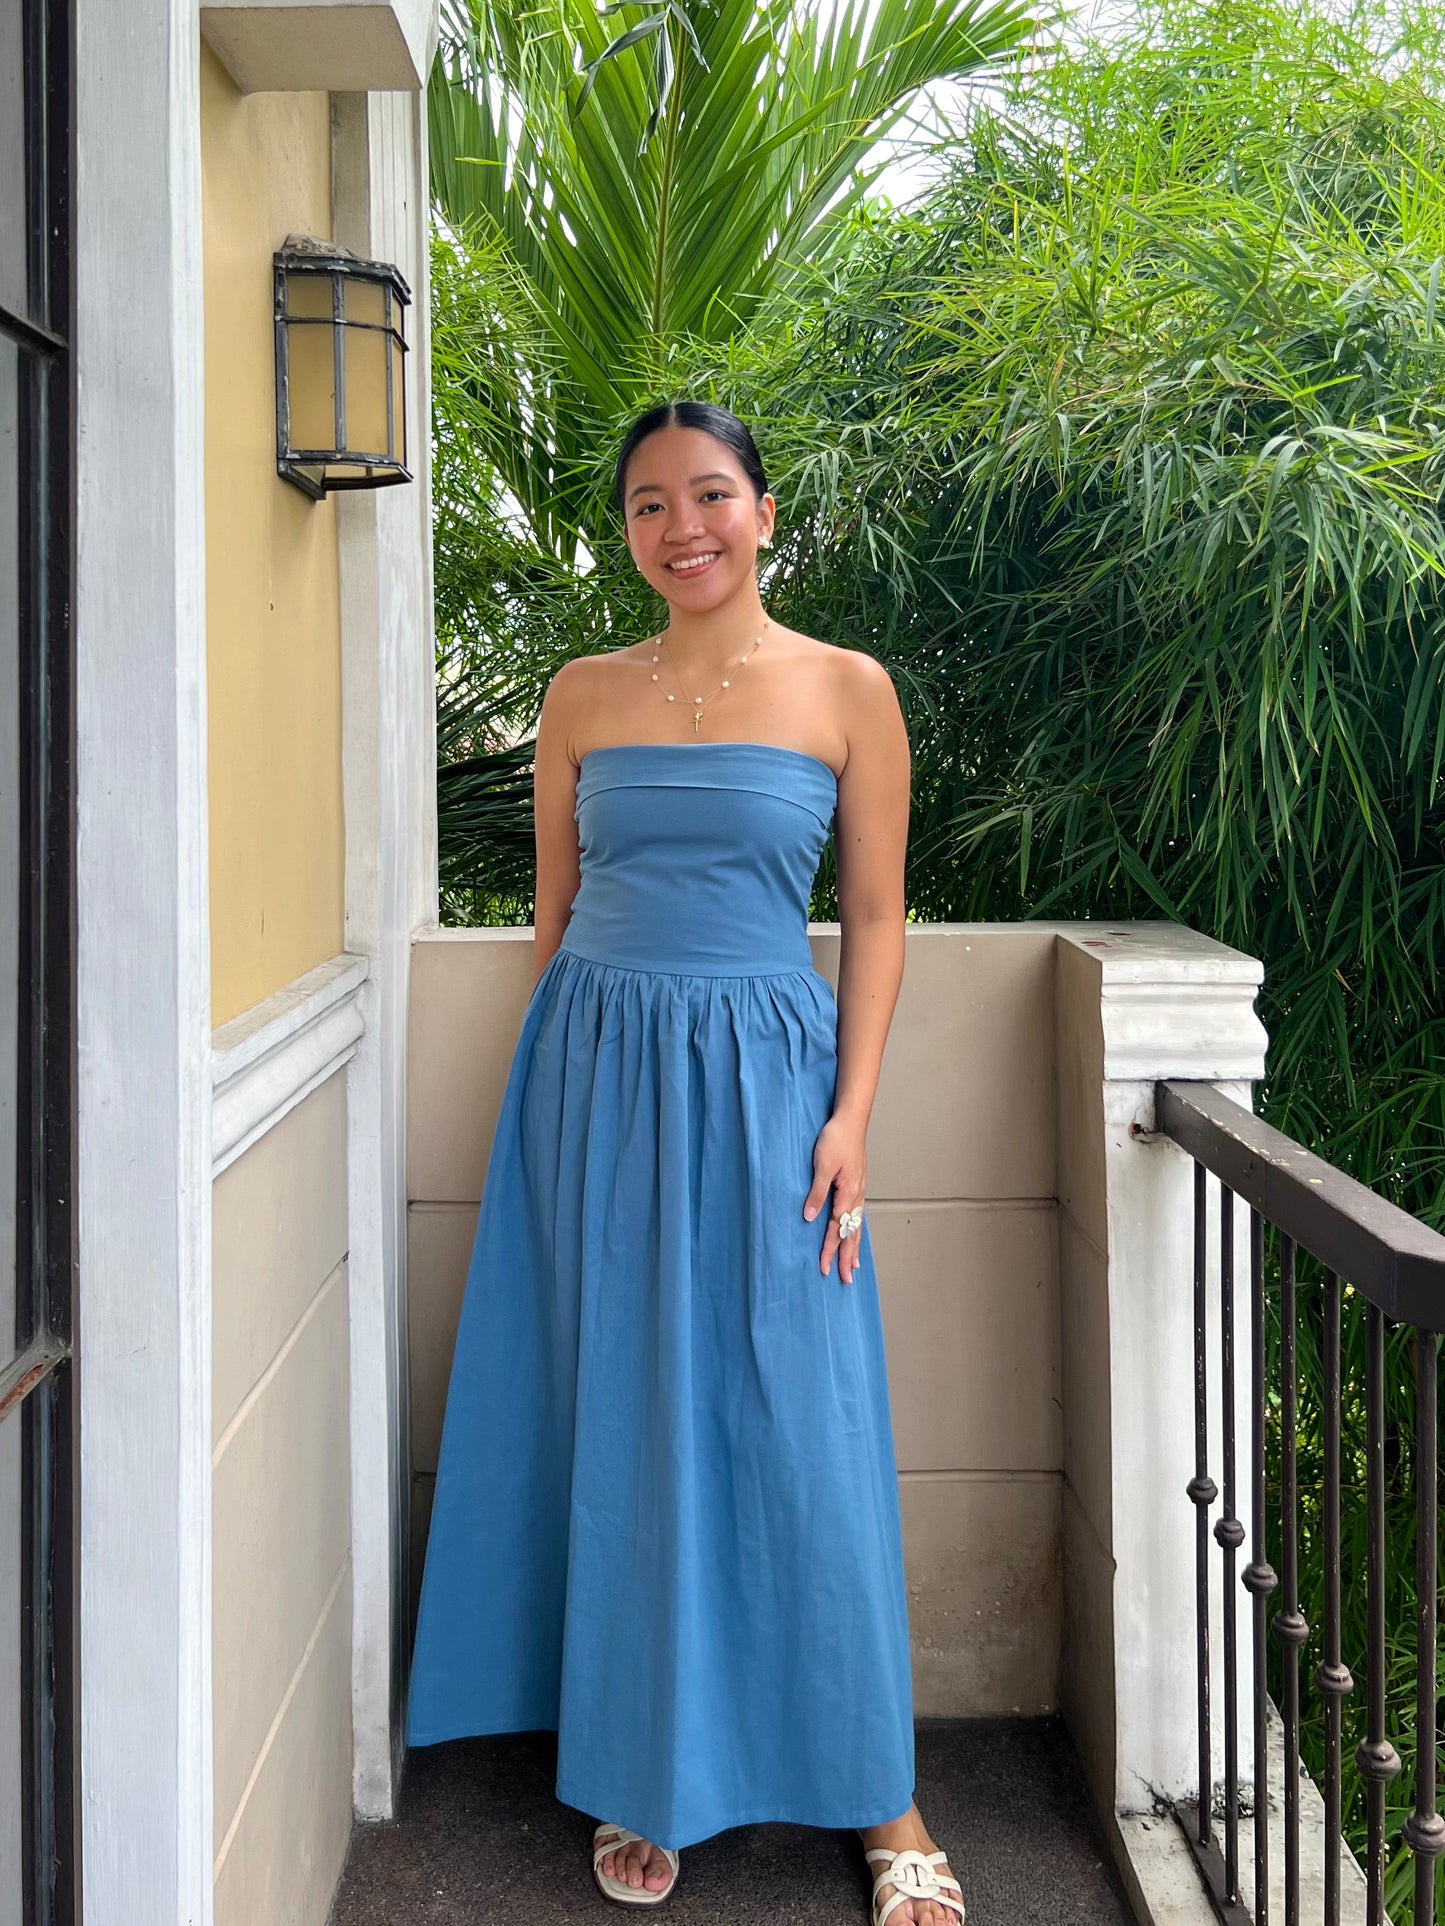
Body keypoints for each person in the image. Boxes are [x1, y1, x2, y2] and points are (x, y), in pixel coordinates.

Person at [407, 399, 965, 1926]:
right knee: (624, 1408)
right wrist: (551, 1102)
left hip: (775, 1084)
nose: (682, 526)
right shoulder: (581, 691)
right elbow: (553, 908)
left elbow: (874, 917)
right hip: (592, 1077)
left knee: (801, 1414)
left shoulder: (848, 689)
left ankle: (880, 1795)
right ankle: (640, 1763)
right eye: (649, 503)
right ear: (630, 531)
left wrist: (852, 1115)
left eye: (708, 494)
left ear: (764, 512)